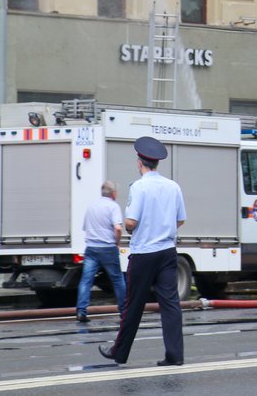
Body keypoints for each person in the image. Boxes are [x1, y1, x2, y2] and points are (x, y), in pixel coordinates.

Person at [99, 136, 186, 366]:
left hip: (144, 252)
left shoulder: (139, 187)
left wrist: (139, 228)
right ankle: (175, 355)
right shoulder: (173, 186)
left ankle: (119, 352)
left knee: (133, 305)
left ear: (140, 163)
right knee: (170, 304)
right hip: (168, 252)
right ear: (157, 163)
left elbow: (130, 223)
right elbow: (180, 220)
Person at [76, 181, 127, 322]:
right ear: (114, 193)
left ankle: (81, 311)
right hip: (108, 248)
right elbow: (117, 228)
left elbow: (85, 227)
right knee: (117, 280)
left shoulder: (91, 207)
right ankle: (124, 311)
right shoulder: (113, 206)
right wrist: (117, 243)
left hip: (91, 248)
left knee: (86, 280)